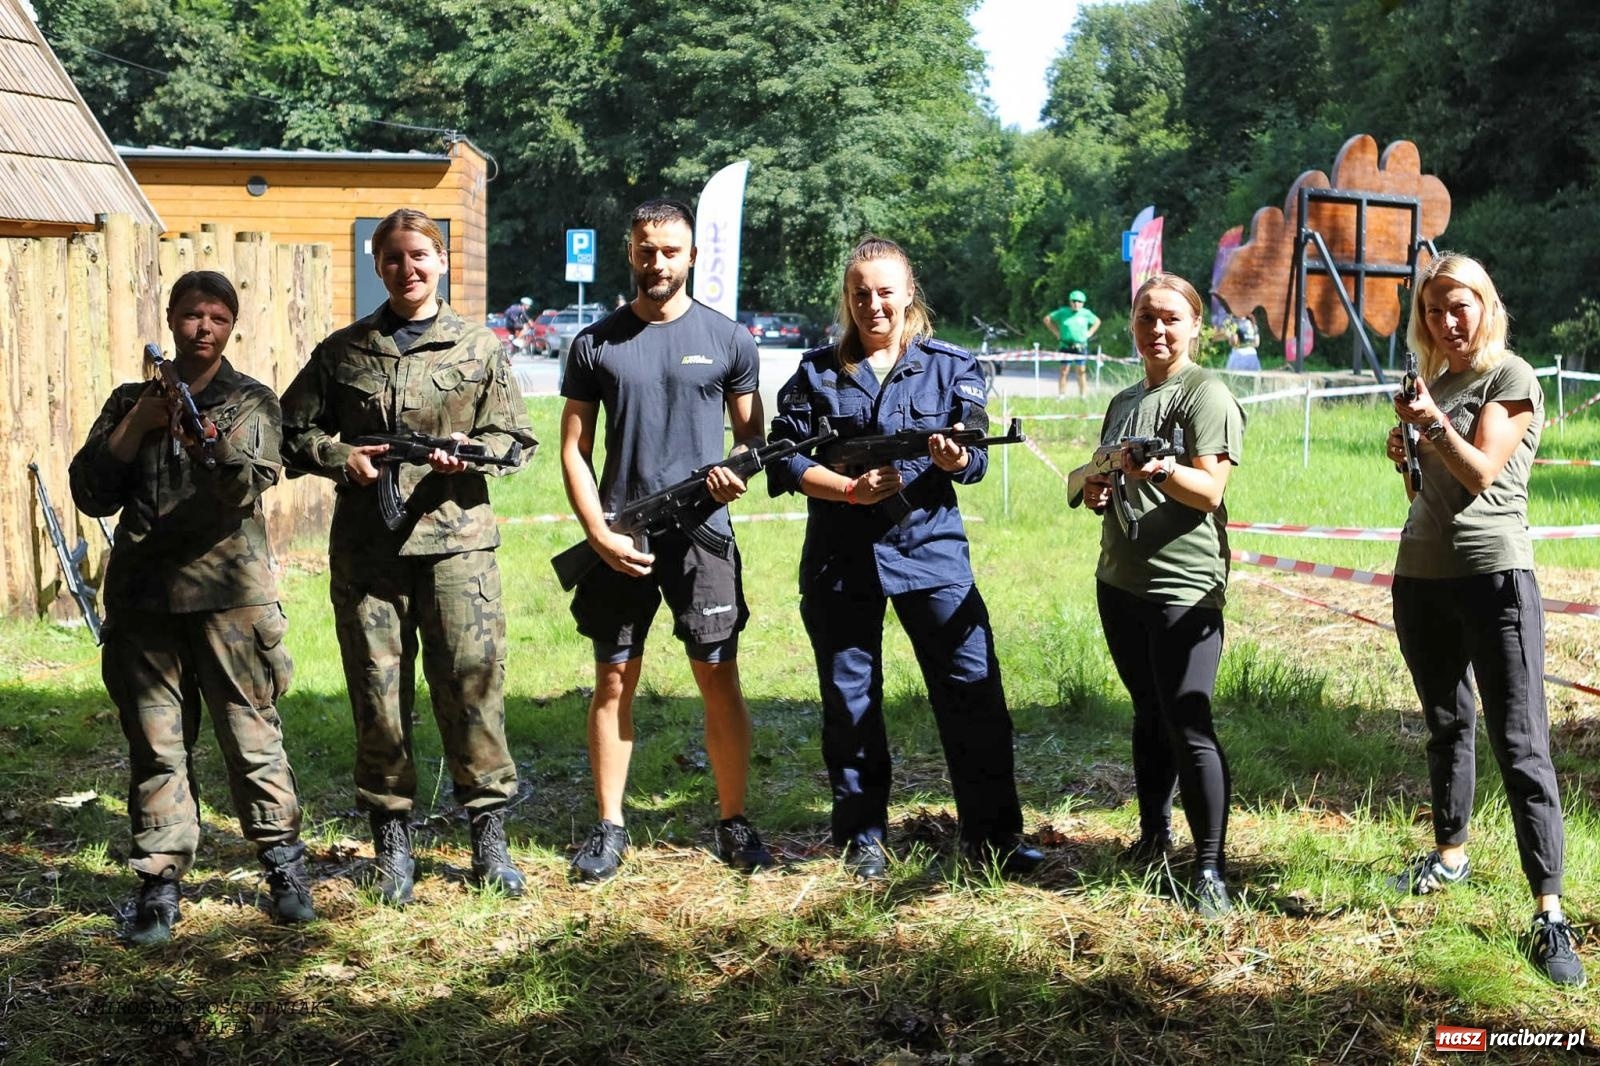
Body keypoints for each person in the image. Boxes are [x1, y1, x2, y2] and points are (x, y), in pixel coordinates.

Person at [280, 208, 537, 905]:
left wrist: (471, 456)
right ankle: (392, 841)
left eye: (419, 255)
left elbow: (515, 438)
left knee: (473, 688)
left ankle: (489, 836)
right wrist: (339, 456)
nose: (407, 268)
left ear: (442, 260)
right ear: (378, 263)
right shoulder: (343, 352)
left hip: (458, 548)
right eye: (393, 258)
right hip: (370, 554)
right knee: (377, 696)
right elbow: (288, 430)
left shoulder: (478, 348)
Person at [767, 236, 1041, 881]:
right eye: (860, 293)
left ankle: (995, 836)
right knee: (850, 700)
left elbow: (973, 456)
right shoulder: (815, 371)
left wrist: (954, 457)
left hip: (931, 553)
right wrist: (847, 490)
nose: (873, 304)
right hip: (841, 558)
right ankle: (862, 836)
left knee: (972, 694)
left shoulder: (950, 366)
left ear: (908, 293)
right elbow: (783, 457)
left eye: (885, 291)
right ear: (848, 298)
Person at [69, 270, 313, 944]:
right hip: (145, 605)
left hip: (229, 600)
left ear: (231, 325)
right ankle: (159, 884)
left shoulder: (251, 401)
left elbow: (246, 484)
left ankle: (284, 867)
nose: (203, 329)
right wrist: (139, 427)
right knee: (155, 747)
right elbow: (91, 490)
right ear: (170, 318)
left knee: (252, 739)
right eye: (191, 316)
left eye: (217, 317)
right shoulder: (130, 401)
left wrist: (195, 431)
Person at [559, 198, 774, 882]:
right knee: (614, 676)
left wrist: (735, 475)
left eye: (670, 250)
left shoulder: (730, 340)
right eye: (646, 249)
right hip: (622, 538)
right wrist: (597, 534)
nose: (658, 262)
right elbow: (573, 449)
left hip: (704, 538)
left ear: (691, 256)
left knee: (717, 674)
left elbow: (753, 440)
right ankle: (610, 827)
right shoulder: (595, 342)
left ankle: (735, 823)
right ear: (631, 252)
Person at [1384, 253, 1585, 986]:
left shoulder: (1511, 377)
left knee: (1521, 743)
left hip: (1493, 580)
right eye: (1434, 310)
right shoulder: (1436, 381)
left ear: (1486, 305)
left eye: (1459, 305)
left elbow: (1481, 474)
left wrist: (1431, 425)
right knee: (1447, 725)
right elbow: (1427, 490)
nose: (1447, 320)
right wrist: (1404, 451)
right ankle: (1449, 856)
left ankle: (1550, 914)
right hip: (1421, 579)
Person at [1079, 273, 1244, 918]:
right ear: (1133, 324)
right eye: (1148, 317)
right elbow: (1103, 477)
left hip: (1184, 586)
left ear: (1195, 326)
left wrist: (1164, 468)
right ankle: (1153, 837)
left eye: (1172, 318)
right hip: (1120, 582)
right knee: (1148, 713)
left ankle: (1209, 868)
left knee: (1189, 722)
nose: (1159, 329)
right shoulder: (1123, 401)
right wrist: (1098, 489)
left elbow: (1210, 492)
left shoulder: (1207, 394)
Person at [1044, 288, 1100, 397]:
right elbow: (1047, 319)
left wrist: (1090, 333)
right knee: (1064, 371)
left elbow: (1097, 321)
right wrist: (1056, 333)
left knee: (1081, 371)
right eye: (1074, 301)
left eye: (1079, 302)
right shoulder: (1063, 312)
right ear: (1070, 302)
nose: (1076, 304)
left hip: (1081, 346)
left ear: (1083, 303)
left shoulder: (1086, 313)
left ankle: (1083, 395)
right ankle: (1061, 395)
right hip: (1065, 345)